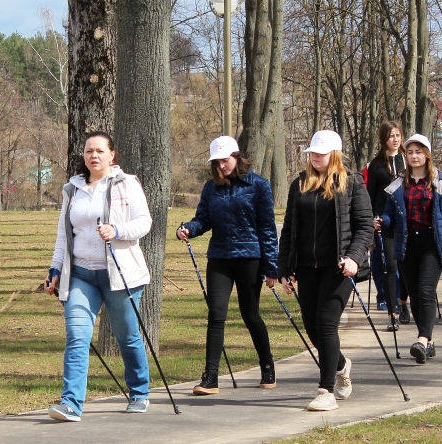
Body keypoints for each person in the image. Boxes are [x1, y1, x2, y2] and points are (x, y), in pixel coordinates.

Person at [44, 131, 152, 422]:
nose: (94, 156)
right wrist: (55, 269)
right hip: (80, 275)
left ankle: (139, 392)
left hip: (119, 274)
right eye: (89, 151)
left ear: (111, 154)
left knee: (127, 337)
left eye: (100, 151)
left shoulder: (127, 184)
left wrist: (117, 231)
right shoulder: (73, 189)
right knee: (77, 337)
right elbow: (63, 235)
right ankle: (71, 404)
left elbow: (144, 222)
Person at [278, 130, 373, 411]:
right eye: (312, 153)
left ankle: (325, 390)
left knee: (326, 323)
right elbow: (289, 230)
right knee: (311, 326)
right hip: (307, 266)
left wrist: (355, 258)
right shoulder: (300, 185)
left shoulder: (353, 184)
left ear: (335, 154)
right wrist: (285, 268)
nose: (315, 156)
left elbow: (365, 227)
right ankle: (341, 365)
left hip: (339, 267)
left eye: (321, 152)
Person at [177, 136, 279, 395]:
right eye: (217, 162)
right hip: (220, 257)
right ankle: (210, 377)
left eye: (226, 160)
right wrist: (189, 228)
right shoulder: (211, 188)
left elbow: (267, 229)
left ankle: (267, 365)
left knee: (250, 314)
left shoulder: (259, 186)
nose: (222, 166)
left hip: (250, 258)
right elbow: (203, 219)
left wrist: (271, 268)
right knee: (216, 315)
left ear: (237, 158)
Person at [380, 134, 442, 364]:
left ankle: (422, 339)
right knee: (416, 295)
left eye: (418, 151)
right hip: (407, 246)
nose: (414, 156)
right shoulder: (398, 182)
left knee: (426, 291)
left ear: (427, 154)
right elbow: (390, 215)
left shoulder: (439, 182)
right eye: (410, 152)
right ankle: (428, 343)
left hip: (432, 245)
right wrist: (383, 222)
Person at [366, 121, 409, 331]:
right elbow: (371, 196)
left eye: (398, 135)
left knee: (406, 266)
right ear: (384, 138)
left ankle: (404, 302)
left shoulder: (408, 160)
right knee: (389, 267)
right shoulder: (376, 165)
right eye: (391, 136)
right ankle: (393, 313)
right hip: (385, 221)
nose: (395, 139)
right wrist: (371, 221)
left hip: (407, 221)